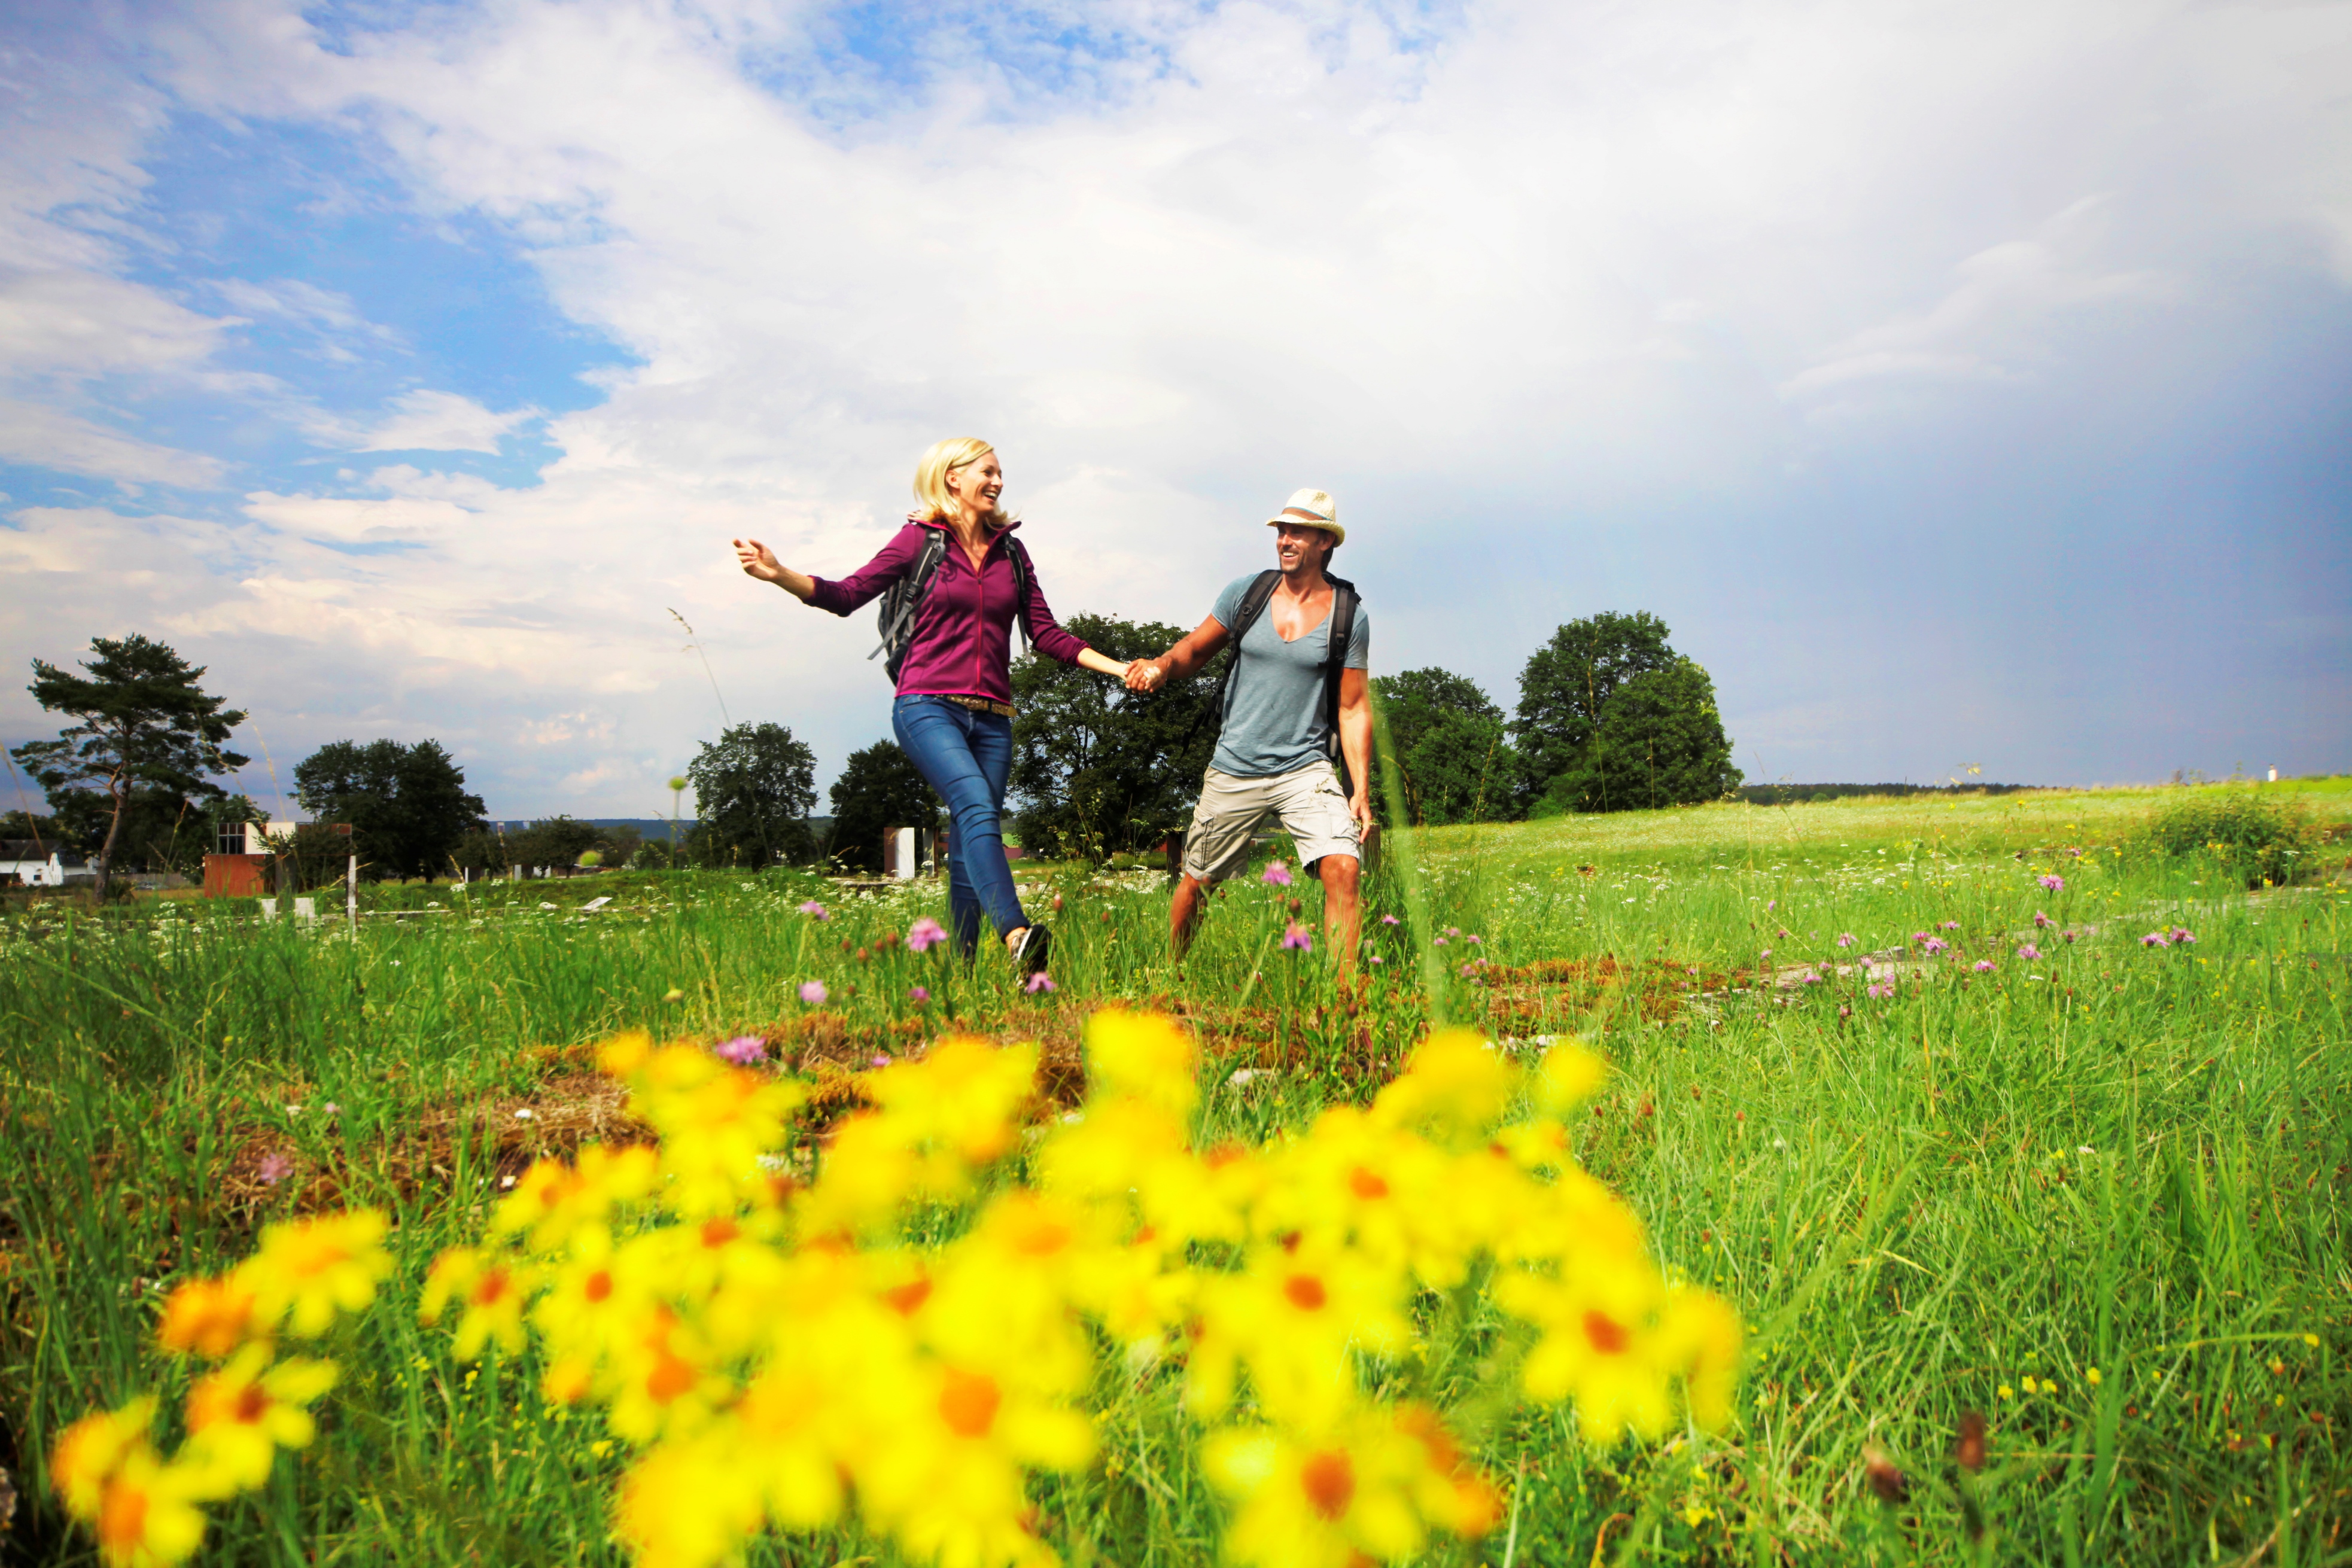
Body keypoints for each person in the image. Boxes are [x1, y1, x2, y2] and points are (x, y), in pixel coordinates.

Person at [734, 438, 1131, 970]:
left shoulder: (1012, 553)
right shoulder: (917, 541)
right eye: (987, 472)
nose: (997, 482)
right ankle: (1017, 936)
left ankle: (964, 973)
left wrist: (1120, 667)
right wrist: (780, 573)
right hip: (926, 705)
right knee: (974, 804)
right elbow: (847, 595)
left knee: (973, 838)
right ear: (952, 478)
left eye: (1000, 474)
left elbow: (1045, 634)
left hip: (994, 719)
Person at [1126, 488, 1372, 964]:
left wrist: (1359, 787)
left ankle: (1346, 1001)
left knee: (1343, 867)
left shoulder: (1348, 616)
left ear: (1324, 541)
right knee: (1198, 882)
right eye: (1280, 530)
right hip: (1235, 766)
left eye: (1296, 531)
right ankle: (1167, 980)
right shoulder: (1246, 593)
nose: (1284, 539)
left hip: (1307, 768)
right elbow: (1193, 651)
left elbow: (1354, 707)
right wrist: (1159, 665)